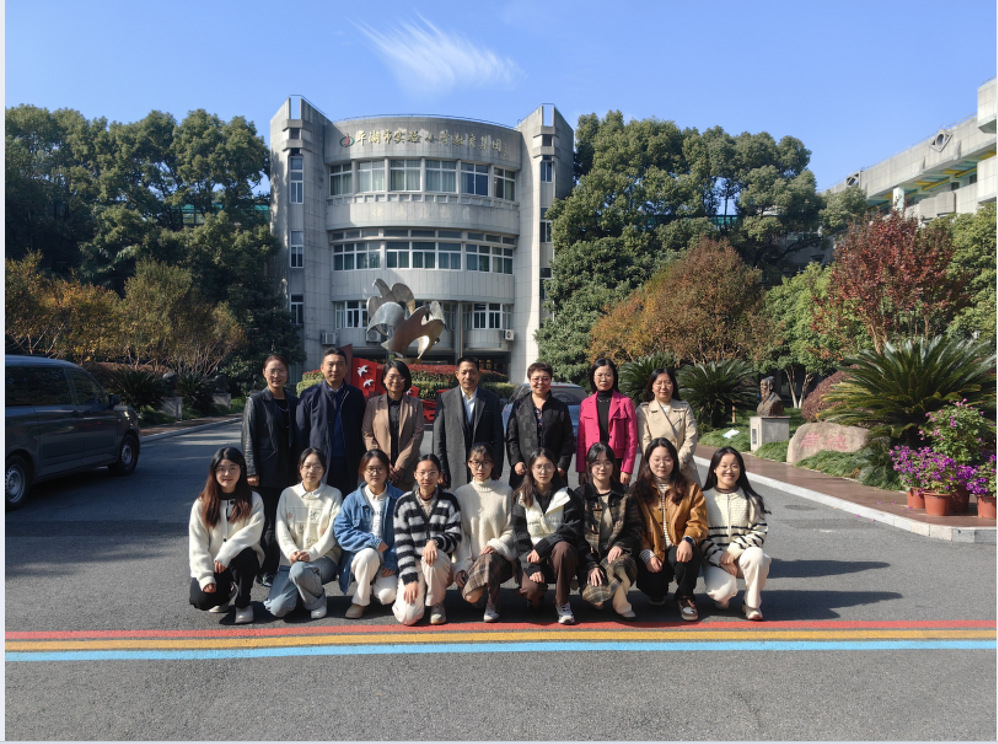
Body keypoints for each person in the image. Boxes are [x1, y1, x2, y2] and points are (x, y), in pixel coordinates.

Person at [632, 438, 707, 622]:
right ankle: (657, 592)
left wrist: (688, 540)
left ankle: (685, 597)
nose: (662, 464)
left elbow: (698, 520)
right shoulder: (637, 490)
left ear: (674, 460)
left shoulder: (690, 488)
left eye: (667, 459)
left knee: (689, 555)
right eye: (656, 459)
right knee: (654, 587)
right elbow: (635, 527)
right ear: (648, 461)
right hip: (651, 549)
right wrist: (646, 553)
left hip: (677, 545)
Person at [263, 448, 343, 620]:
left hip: (322, 558)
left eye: (317, 467)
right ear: (300, 468)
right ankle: (304, 593)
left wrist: (311, 553)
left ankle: (317, 601)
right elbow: (280, 528)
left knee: (299, 571)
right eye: (307, 466)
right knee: (278, 609)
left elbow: (332, 533)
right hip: (290, 560)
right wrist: (292, 552)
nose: (311, 471)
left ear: (324, 470)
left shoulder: (334, 495)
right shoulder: (288, 494)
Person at [188, 447, 264, 624]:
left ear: (241, 470)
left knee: (244, 554)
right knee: (201, 600)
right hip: (215, 565)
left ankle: (243, 603)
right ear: (213, 472)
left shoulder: (253, 499)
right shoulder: (202, 503)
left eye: (232, 468)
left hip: (243, 560)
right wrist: (206, 576)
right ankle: (223, 596)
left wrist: (227, 551)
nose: (227, 474)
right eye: (221, 469)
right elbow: (197, 544)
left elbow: (253, 532)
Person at [241, 354, 298, 588]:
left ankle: (282, 566)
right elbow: (248, 438)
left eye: (281, 370)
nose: (277, 375)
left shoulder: (294, 402)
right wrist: (251, 470)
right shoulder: (256, 401)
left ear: (287, 373)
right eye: (272, 370)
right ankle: (265, 570)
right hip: (265, 474)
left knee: (286, 521)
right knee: (268, 524)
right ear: (264, 373)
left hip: (290, 473)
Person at [511, 448, 583, 625]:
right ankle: (536, 597)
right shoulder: (521, 496)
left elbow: (572, 528)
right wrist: (531, 567)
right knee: (532, 591)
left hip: (558, 558)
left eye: (548, 466)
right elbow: (519, 537)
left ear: (555, 468)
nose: (543, 471)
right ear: (530, 469)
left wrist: (544, 546)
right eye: (538, 467)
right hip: (532, 558)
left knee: (564, 548)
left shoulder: (566, 494)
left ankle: (562, 602)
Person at [701, 446, 771, 621]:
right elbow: (700, 535)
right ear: (714, 469)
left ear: (741, 469)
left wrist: (734, 550)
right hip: (715, 560)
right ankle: (723, 597)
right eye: (724, 466)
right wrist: (720, 557)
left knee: (758, 556)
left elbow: (760, 531)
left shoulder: (752, 499)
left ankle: (751, 604)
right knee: (722, 595)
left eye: (734, 466)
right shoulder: (703, 498)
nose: (729, 470)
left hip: (742, 558)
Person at [574, 443, 642, 620]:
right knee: (596, 600)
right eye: (597, 463)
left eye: (607, 463)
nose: (602, 467)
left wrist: (621, 545)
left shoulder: (625, 493)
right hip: (591, 557)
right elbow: (576, 536)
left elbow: (635, 527)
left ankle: (621, 604)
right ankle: (601, 593)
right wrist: (590, 564)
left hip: (616, 554)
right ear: (589, 466)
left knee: (619, 565)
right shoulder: (580, 495)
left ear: (614, 465)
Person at [392, 454, 462, 626]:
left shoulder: (449, 500)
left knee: (432, 557)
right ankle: (418, 593)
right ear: (415, 475)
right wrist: (410, 579)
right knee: (408, 617)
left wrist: (435, 542)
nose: (427, 477)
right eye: (422, 472)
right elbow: (403, 546)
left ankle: (437, 603)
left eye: (432, 472)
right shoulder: (403, 503)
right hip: (414, 564)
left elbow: (455, 537)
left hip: (438, 563)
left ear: (439, 475)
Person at [334, 449, 405, 619]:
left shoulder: (399, 498)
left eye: (380, 469)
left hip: (387, 559)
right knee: (369, 554)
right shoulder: (352, 500)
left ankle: (371, 588)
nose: (375, 473)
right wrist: (371, 541)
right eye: (370, 469)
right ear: (362, 471)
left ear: (387, 471)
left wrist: (392, 560)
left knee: (387, 597)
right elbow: (341, 531)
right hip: (362, 558)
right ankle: (360, 602)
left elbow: (405, 534)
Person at [453, 443, 518, 623]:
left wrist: (496, 545)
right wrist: (460, 566)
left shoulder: (505, 492)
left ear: (493, 464)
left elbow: (512, 529)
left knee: (488, 560)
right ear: (468, 464)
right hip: (472, 562)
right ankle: (481, 593)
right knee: (472, 597)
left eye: (485, 462)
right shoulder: (461, 494)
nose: (480, 468)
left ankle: (493, 603)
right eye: (476, 462)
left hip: (499, 559)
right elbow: (460, 535)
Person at [296, 346, 366, 498]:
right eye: (330, 364)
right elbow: (301, 433)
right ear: (322, 368)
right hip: (318, 463)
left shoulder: (355, 395)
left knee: (346, 502)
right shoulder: (309, 395)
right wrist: (302, 464)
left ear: (346, 368)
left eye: (340, 364)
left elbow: (362, 430)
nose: (335, 369)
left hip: (348, 463)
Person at [432, 355, 504, 489]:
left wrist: (496, 468)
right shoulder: (445, 399)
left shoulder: (491, 399)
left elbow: (498, 438)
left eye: (472, 372)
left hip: (483, 469)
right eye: (464, 372)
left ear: (479, 374)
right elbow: (438, 438)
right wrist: (440, 468)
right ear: (457, 375)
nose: (468, 376)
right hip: (453, 470)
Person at [505, 361, 575, 490]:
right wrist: (516, 461)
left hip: (552, 471)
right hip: (525, 469)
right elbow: (511, 436)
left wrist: (562, 465)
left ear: (550, 380)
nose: (540, 382)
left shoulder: (560, 407)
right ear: (529, 380)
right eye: (536, 379)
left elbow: (568, 439)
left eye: (545, 378)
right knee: (525, 501)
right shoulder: (519, 405)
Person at [361, 360, 425, 492]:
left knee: (404, 503)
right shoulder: (373, 404)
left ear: (406, 380)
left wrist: (401, 464)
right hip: (379, 470)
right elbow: (367, 434)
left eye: (400, 377)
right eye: (391, 377)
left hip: (405, 471)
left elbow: (418, 435)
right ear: (384, 379)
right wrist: (383, 462)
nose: (396, 381)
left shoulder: (415, 404)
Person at [577, 358, 638, 486]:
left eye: (608, 375)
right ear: (593, 378)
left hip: (617, 462)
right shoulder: (586, 404)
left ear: (614, 377)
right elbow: (581, 440)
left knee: (617, 497)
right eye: (599, 375)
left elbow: (632, 439)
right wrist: (581, 469)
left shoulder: (625, 403)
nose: (604, 379)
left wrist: (627, 469)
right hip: (593, 462)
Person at [636, 367, 701, 487]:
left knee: (689, 497)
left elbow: (691, 437)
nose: (663, 387)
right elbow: (644, 441)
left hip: (682, 467)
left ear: (673, 385)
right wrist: (656, 462)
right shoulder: (644, 410)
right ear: (652, 386)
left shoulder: (684, 408)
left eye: (668, 382)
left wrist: (678, 462)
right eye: (659, 383)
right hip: (654, 468)